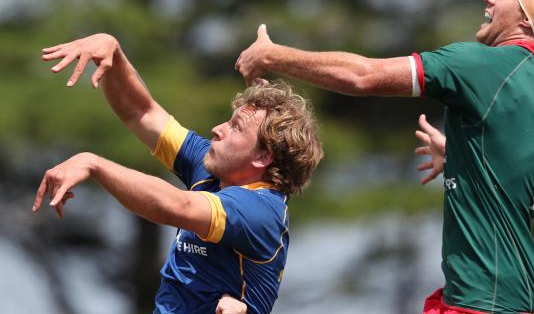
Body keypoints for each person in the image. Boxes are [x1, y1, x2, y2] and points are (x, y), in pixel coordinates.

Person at [235, 0, 534, 314]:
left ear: (526, 20)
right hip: (521, 293)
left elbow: (363, 76)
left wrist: (272, 55)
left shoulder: (484, 65)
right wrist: (461, 155)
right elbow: (509, 175)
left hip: (485, 297)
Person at [33, 33, 324, 314]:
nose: (217, 129)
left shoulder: (259, 211)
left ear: (263, 156)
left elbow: (176, 205)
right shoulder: (213, 169)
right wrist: (113, 53)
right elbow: (142, 113)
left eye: (235, 127)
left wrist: (94, 163)